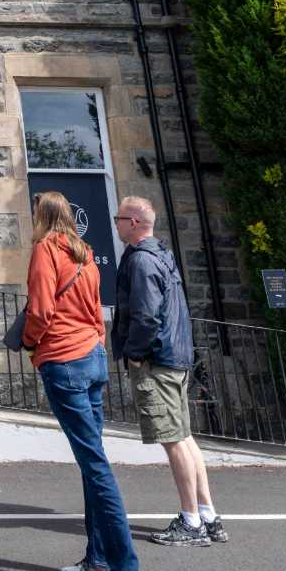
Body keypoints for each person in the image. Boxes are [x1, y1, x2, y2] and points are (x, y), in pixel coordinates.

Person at [24, 190, 144, 571]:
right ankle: (96, 560)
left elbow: (39, 311)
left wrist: (28, 342)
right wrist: (95, 344)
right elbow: (97, 311)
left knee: (95, 466)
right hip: (92, 356)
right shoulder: (84, 251)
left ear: (41, 215)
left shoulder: (45, 250)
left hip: (65, 359)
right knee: (92, 461)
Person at [113, 194, 226, 547]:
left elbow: (146, 315)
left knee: (174, 441)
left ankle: (191, 522)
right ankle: (208, 515)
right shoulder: (162, 255)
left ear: (133, 222)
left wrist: (134, 354)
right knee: (185, 437)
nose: (115, 223)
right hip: (176, 356)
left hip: (157, 360)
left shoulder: (143, 262)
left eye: (119, 218)